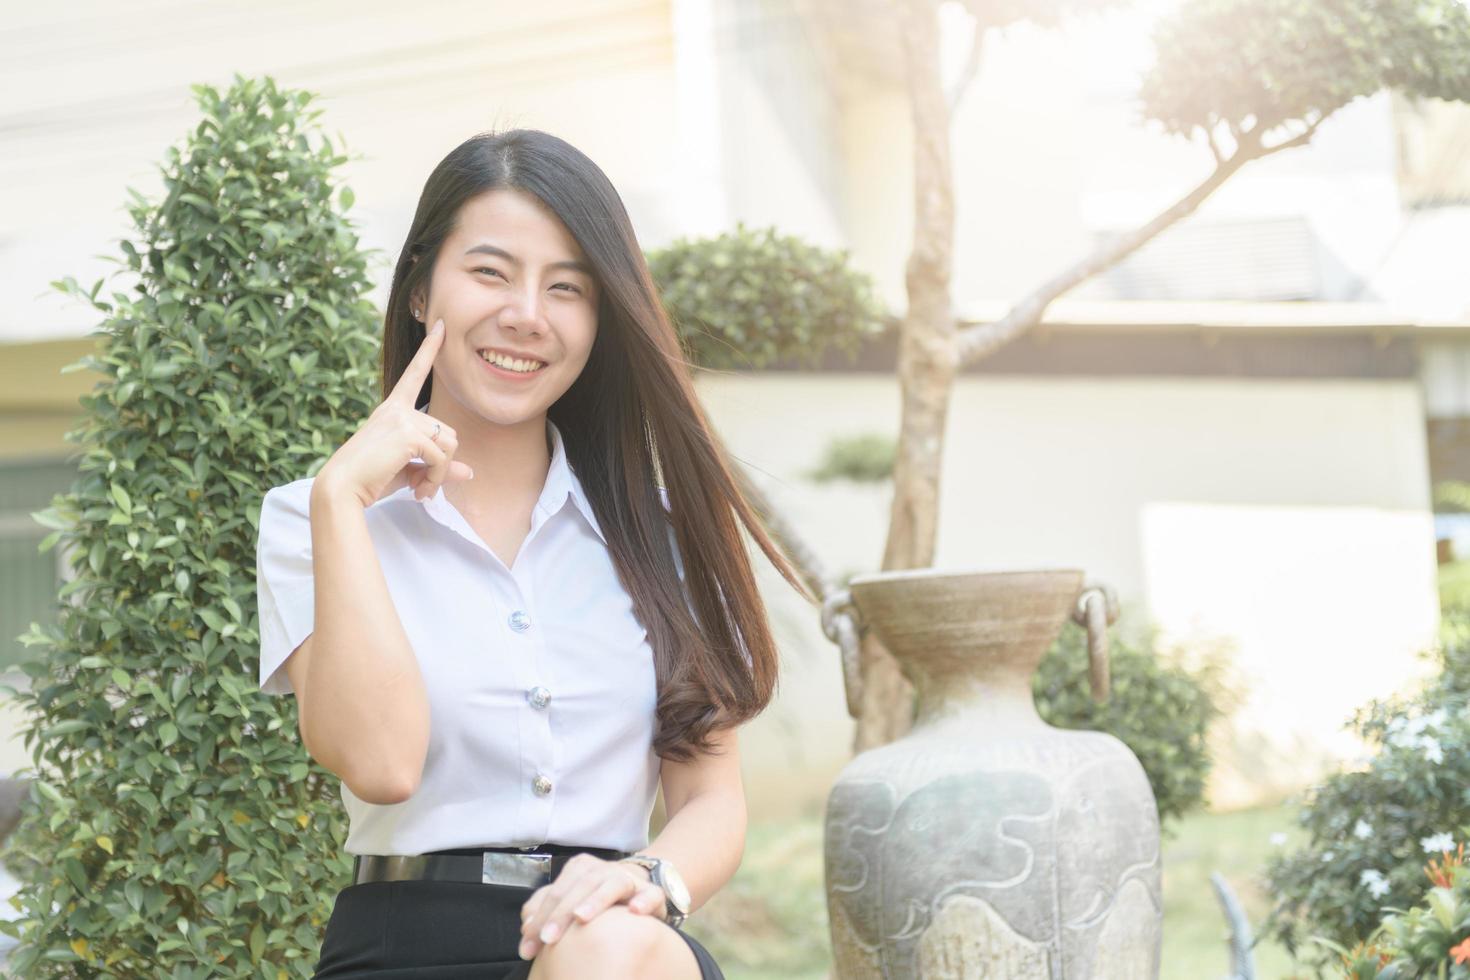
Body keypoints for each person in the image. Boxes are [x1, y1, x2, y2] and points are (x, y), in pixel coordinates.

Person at [254, 129, 810, 978]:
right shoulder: (312, 519)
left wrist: (645, 880)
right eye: (489, 272)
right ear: (417, 290)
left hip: (620, 942)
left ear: (599, 321)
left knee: (610, 945)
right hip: (404, 946)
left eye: (567, 288)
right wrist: (341, 499)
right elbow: (381, 763)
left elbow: (709, 798)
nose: (527, 314)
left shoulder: (659, 533)